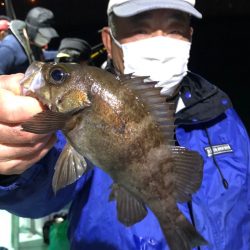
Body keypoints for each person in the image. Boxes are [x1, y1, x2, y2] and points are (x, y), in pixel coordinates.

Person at [0, 1, 249, 250]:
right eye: (140, 29)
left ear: (190, 36)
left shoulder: (223, 113)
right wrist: (13, 165)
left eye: (174, 29)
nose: (159, 41)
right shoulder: (63, 123)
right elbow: (39, 194)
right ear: (109, 41)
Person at [0, 7, 58, 74]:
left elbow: (42, 55)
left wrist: (60, 53)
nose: (46, 38)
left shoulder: (31, 43)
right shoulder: (9, 47)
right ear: (31, 31)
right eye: (42, 34)